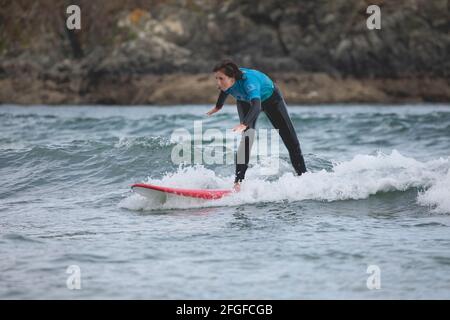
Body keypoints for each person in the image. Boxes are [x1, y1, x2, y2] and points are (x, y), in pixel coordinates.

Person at [207, 60, 307, 191]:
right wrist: (218, 106)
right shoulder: (228, 83)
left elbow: (256, 105)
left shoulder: (249, 82)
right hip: (245, 101)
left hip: (270, 100)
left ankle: (304, 179)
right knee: (247, 139)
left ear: (232, 78)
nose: (218, 83)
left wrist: (244, 124)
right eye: (217, 79)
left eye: (221, 79)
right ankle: (238, 183)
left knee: (290, 139)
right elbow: (225, 90)